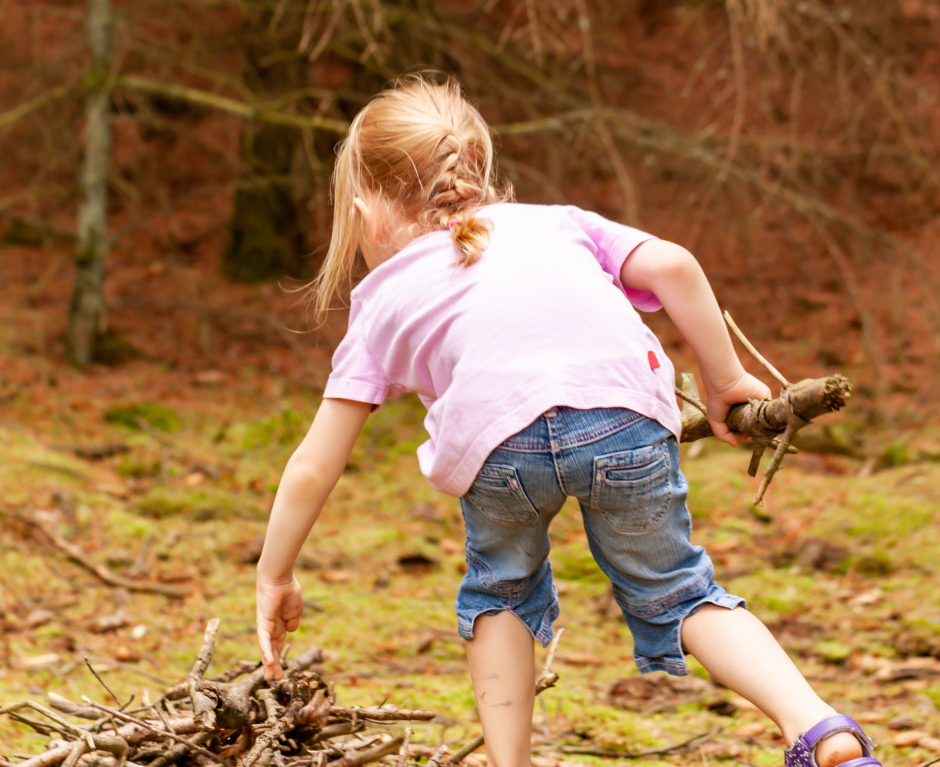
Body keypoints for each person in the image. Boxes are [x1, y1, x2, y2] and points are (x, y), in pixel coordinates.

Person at [253, 74, 881, 767]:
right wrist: (724, 378)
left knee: (500, 592)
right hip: (624, 422)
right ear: (476, 168)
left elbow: (317, 461)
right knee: (680, 592)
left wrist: (273, 575)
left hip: (500, 452)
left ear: (368, 211)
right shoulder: (558, 223)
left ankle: (510, 761)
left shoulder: (381, 299)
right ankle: (821, 730)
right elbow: (672, 264)